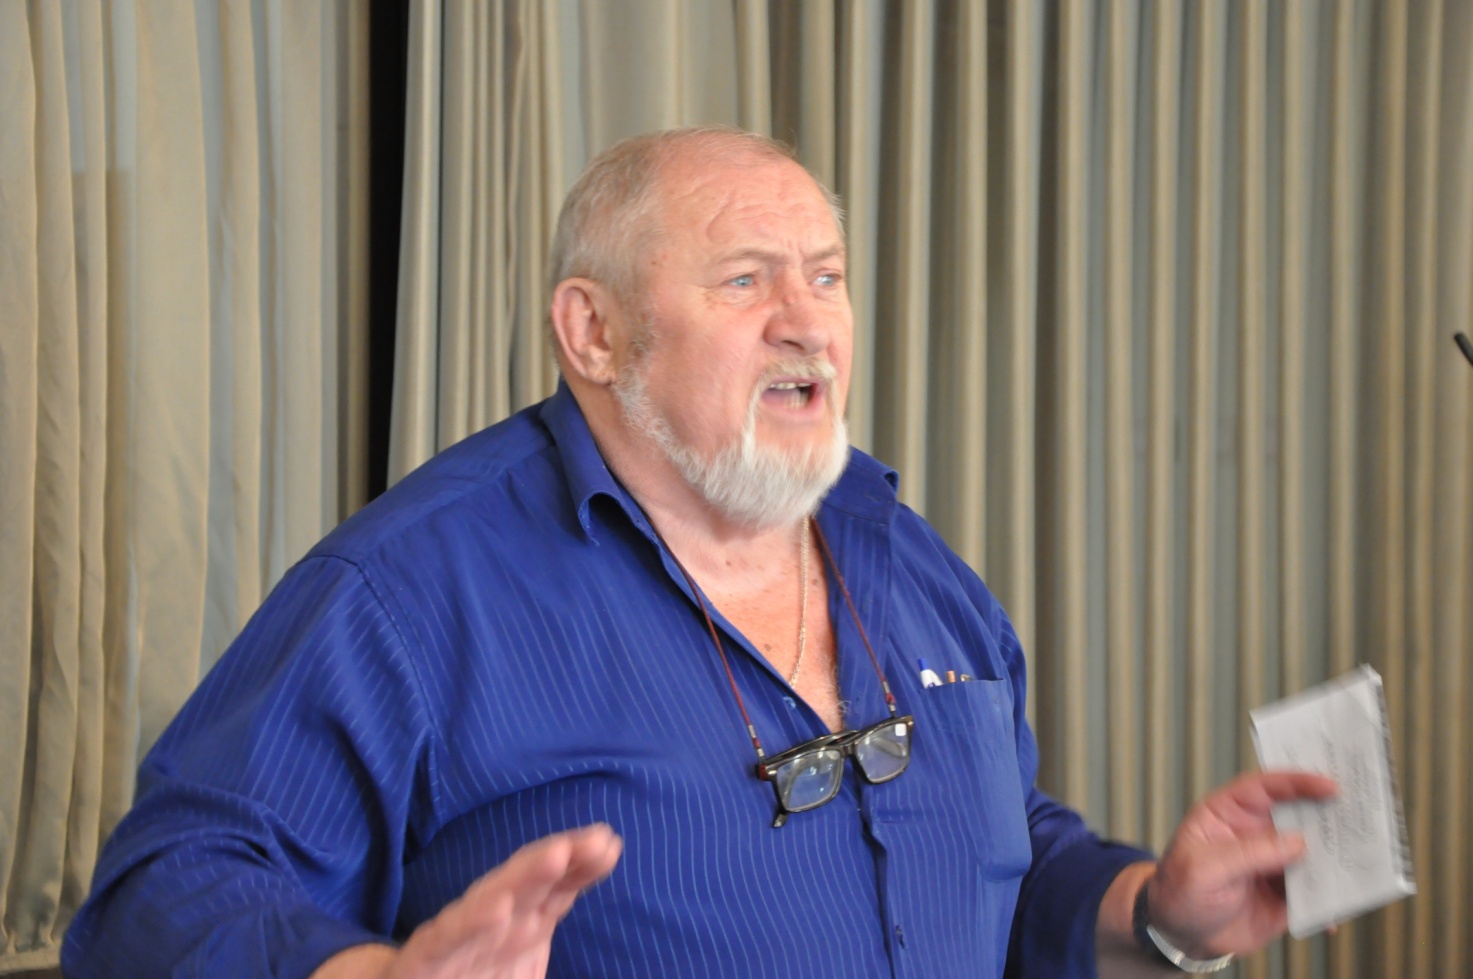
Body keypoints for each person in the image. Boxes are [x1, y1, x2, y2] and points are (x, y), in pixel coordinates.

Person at [63, 126, 1334, 979]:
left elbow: (1003, 845)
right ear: (595, 333)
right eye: (745, 281)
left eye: (826, 276)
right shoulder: (407, 593)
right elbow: (158, 892)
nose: (807, 323)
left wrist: (1154, 910)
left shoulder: (909, 561)